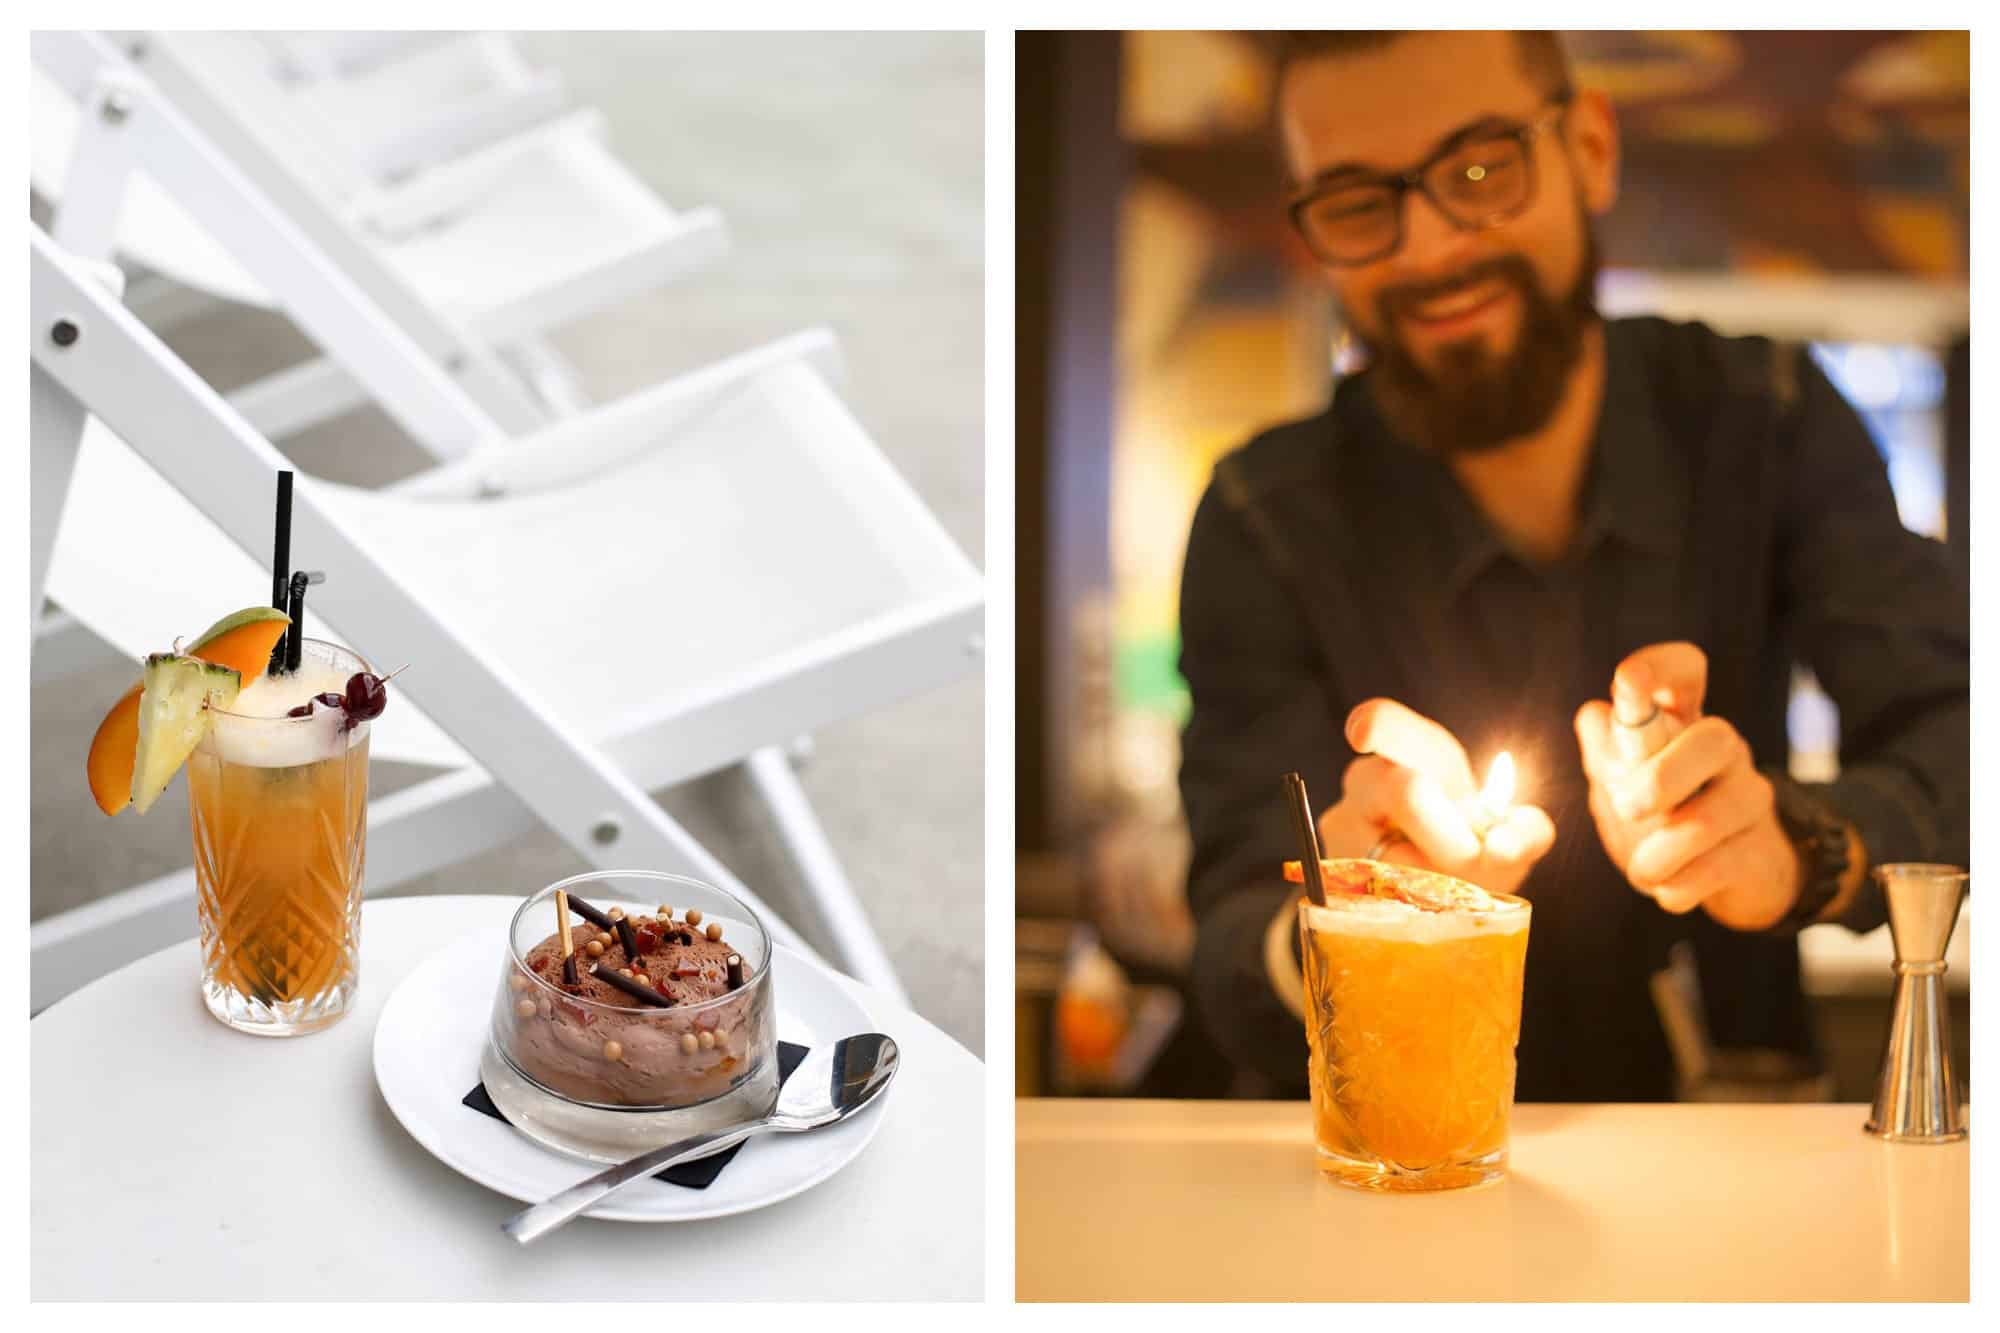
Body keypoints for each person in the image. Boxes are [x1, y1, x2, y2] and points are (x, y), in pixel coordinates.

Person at [1176, 30, 1968, 1101]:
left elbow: (1959, 732)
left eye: (1477, 168)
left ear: (1588, 147)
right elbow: (1229, 939)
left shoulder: (1764, 419)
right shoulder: (1257, 516)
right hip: (1397, 1175)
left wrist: (1796, 847)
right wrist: (1347, 920)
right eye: (1357, 200)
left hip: (1734, 1153)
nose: (1426, 248)